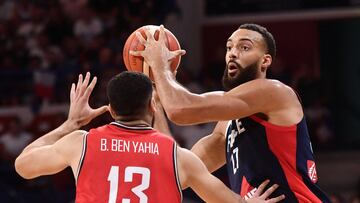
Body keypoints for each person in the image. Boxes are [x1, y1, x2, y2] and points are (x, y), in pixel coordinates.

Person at [131, 24, 331, 202]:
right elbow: (178, 173)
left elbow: (180, 110)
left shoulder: (276, 92)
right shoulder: (227, 125)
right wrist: (155, 97)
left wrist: (160, 67)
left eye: (244, 47)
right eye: (229, 47)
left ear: (265, 61)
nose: (233, 53)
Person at [15, 72, 284, 203]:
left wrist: (71, 123)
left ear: (110, 110)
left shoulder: (80, 143)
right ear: (153, 108)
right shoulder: (178, 157)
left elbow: (23, 166)